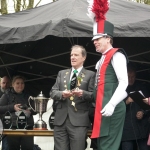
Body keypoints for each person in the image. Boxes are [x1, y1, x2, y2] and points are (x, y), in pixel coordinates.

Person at [87, 1, 128, 149]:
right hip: (103, 108)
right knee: (103, 144)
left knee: (108, 146)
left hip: (113, 108)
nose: (94, 42)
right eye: (94, 39)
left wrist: (111, 104)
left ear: (108, 38)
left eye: (98, 39)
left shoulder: (117, 55)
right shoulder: (101, 60)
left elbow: (124, 83)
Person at [50, 45, 95, 150]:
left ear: (83, 58)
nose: (72, 57)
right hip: (60, 120)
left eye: (76, 55)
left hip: (79, 121)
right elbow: (52, 92)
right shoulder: (61, 73)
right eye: (71, 55)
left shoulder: (90, 75)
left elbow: (94, 96)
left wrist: (83, 93)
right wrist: (62, 94)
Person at [0, 75, 36, 150]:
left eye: (22, 83)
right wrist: (12, 107)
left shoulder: (28, 96)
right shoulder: (6, 95)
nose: (20, 85)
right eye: (17, 83)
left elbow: (35, 110)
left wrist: (29, 111)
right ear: (12, 85)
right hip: (13, 128)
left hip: (27, 127)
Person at [121, 65, 149, 150]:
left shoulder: (142, 88)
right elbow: (114, 109)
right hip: (126, 128)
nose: (131, 79)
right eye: (129, 77)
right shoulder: (120, 89)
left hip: (141, 129)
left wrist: (143, 112)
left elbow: (148, 105)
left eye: (133, 77)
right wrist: (126, 102)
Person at [0, 76, 11, 150]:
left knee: (6, 147)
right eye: (3, 83)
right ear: (0, 83)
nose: (5, 85)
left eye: (7, 83)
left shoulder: (11, 94)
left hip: (7, 124)